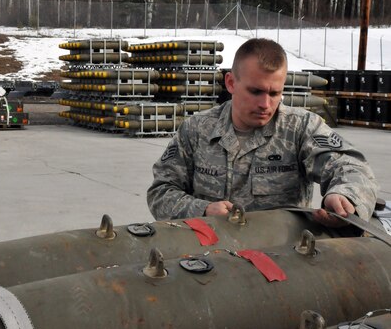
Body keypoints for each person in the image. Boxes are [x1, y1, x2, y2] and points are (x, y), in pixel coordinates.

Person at [147, 38, 378, 226]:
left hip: (278, 258)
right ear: (231, 83)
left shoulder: (300, 128)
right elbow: (161, 192)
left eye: (275, 93)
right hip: (210, 255)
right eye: (255, 91)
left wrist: (345, 196)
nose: (265, 104)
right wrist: (203, 210)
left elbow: (351, 167)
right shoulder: (197, 130)